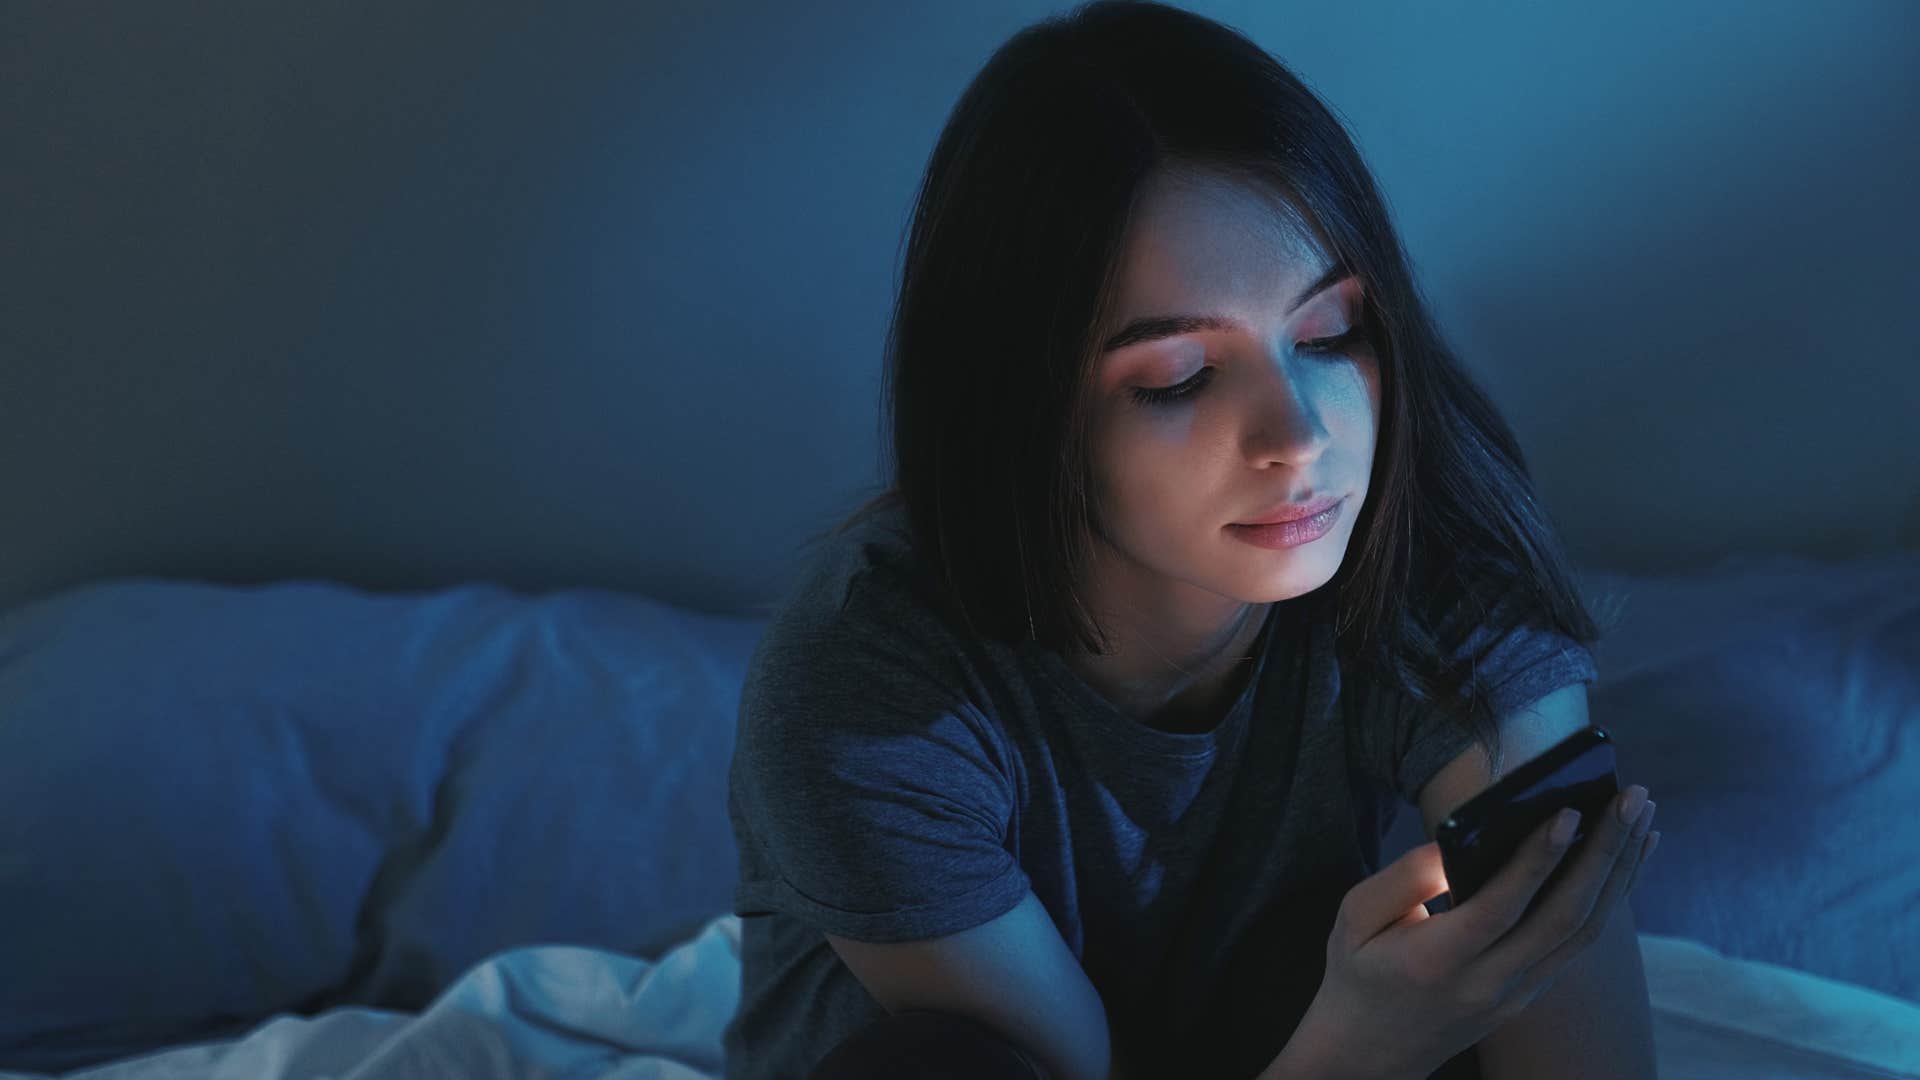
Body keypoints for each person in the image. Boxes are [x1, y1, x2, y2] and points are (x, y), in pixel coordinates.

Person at [721, 2, 1655, 1078]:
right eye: (1180, 379)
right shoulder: (868, 686)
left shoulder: (1430, 562)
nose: (1300, 441)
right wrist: (1361, 1046)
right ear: (1027, 417)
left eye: (1330, 333)